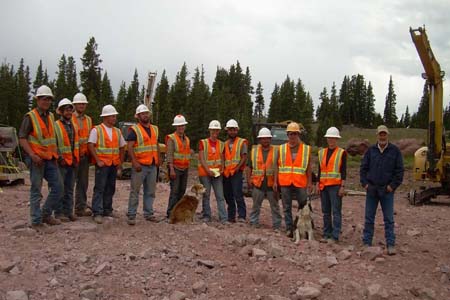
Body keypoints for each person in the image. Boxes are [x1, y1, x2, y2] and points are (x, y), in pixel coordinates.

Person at [18, 85, 62, 228]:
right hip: (36, 159)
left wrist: (56, 154)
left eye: (49, 99)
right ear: (37, 100)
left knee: (58, 187)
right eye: (44, 99)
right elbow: (22, 138)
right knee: (36, 189)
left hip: (50, 158)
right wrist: (32, 154)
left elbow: (51, 138)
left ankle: (45, 214)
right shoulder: (30, 117)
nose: (46, 102)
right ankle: (36, 221)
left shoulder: (50, 116)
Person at [360, 125, 403, 255]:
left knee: (389, 219)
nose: (382, 136)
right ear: (377, 135)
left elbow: (399, 171)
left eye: (384, 134)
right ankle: (367, 242)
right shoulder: (370, 151)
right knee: (369, 218)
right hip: (372, 189)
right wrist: (365, 184)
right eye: (380, 134)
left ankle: (390, 244)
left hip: (387, 191)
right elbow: (363, 168)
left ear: (387, 135)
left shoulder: (395, 151)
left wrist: (392, 186)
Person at [88, 105, 125, 224]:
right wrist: (97, 160)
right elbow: (90, 145)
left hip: (113, 164)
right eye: (112, 116)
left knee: (110, 187)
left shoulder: (117, 131)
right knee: (100, 188)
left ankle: (107, 209)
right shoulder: (97, 130)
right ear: (105, 117)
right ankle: (97, 212)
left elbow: (122, 147)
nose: (115, 118)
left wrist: (120, 163)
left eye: (115, 116)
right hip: (103, 165)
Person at [274, 122, 312, 237]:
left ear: (298, 134)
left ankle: (304, 228)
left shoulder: (306, 149)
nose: (293, 136)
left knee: (304, 206)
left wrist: (310, 182)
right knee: (286, 207)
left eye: (295, 134)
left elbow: (309, 167)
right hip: (285, 182)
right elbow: (276, 166)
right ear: (287, 135)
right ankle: (290, 228)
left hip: (300, 182)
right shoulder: (281, 149)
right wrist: (275, 181)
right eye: (291, 134)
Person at [126, 104, 160, 225]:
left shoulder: (155, 129)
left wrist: (158, 159)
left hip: (152, 164)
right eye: (143, 114)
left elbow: (155, 144)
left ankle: (148, 213)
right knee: (135, 190)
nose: (145, 115)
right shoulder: (134, 130)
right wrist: (134, 162)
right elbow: (129, 147)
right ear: (138, 116)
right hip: (140, 165)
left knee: (150, 191)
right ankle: (131, 214)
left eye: (146, 113)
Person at [247, 127, 282, 230]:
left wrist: (276, 182)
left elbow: (277, 167)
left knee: (275, 206)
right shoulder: (253, 151)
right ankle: (254, 222)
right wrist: (249, 179)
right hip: (258, 183)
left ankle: (277, 225)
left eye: (267, 138)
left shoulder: (276, 151)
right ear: (260, 139)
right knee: (256, 205)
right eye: (263, 138)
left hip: (272, 184)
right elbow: (249, 167)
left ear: (270, 139)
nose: (265, 140)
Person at [317, 127, 347, 243]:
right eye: (329, 138)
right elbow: (320, 170)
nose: (331, 140)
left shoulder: (341, 153)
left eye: (333, 138)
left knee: (336, 211)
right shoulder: (321, 153)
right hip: (324, 186)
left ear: (337, 139)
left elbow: (343, 171)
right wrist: (318, 184)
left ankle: (335, 236)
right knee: (325, 212)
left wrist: (342, 186)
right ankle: (326, 234)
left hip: (335, 186)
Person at [54, 98, 79, 222]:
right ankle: (59, 213)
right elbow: (54, 144)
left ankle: (69, 212)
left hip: (71, 162)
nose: (69, 112)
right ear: (61, 111)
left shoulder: (73, 126)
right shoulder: (56, 126)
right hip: (61, 162)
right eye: (66, 110)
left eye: (70, 110)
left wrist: (75, 158)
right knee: (60, 188)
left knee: (69, 188)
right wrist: (59, 158)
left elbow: (75, 144)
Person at [198, 120, 228, 223]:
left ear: (219, 131)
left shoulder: (221, 144)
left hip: (217, 174)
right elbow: (202, 158)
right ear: (210, 130)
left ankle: (223, 218)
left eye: (217, 130)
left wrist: (223, 168)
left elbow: (222, 157)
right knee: (206, 195)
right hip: (205, 173)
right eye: (213, 130)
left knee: (220, 196)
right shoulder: (203, 143)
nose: (215, 132)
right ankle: (207, 215)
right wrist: (208, 170)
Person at [71, 92, 93, 217]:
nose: (81, 106)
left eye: (83, 104)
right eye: (79, 104)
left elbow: (89, 138)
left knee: (83, 183)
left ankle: (80, 207)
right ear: (74, 105)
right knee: (69, 183)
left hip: (84, 156)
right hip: (73, 156)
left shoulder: (88, 120)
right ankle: (66, 208)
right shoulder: (70, 118)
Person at [165, 115, 190, 220]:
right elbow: (169, 155)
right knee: (174, 192)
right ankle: (170, 213)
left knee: (182, 191)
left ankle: (178, 212)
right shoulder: (172, 138)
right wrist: (171, 169)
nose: (181, 128)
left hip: (185, 168)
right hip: (175, 168)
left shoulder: (187, 139)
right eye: (179, 126)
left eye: (182, 126)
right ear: (176, 127)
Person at [223, 119, 248, 223]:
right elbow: (223, 157)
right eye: (230, 130)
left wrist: (237, 168)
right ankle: (231, 216)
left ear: (237, 130)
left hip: (236, 172)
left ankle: (242, 216)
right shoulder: (225, 143)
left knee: (238, 194)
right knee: (228, 194)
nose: (232, 132)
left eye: (233, 130)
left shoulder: (242, 142)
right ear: (227, 131)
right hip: (227, 172)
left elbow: (244, 157)